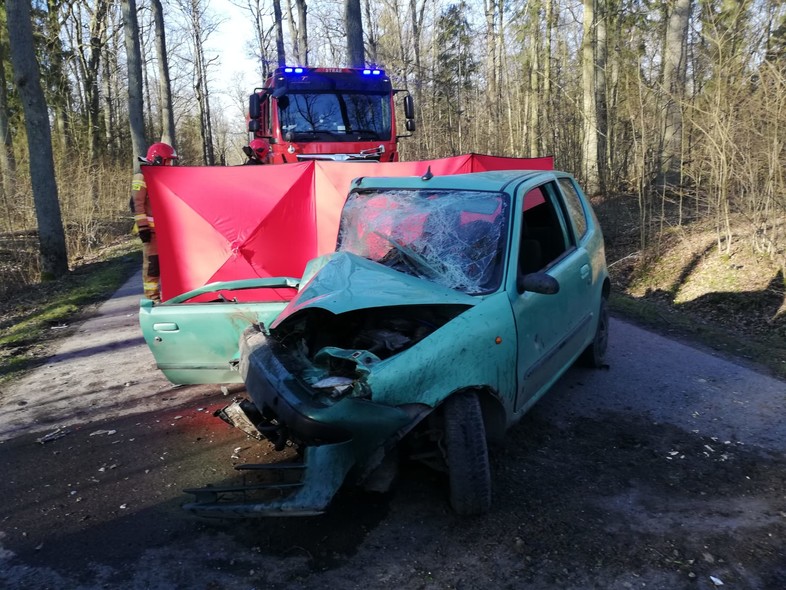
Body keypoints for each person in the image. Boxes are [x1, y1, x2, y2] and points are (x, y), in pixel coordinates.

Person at [131, 142, 178, 302]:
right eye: (168, 160)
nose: (170, 164)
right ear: (158, 159)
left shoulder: (162, 176)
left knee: (170, 266)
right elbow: (137, 204)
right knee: (153, 265)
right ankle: (152, 298)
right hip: (151, 233)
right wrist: (143, 228)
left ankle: (170, 296)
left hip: (165, 231)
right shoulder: (141, 177)